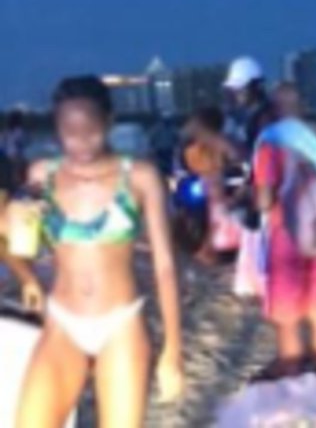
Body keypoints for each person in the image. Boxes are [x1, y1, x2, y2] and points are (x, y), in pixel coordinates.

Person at [3, 76, 183, 426]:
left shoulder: (140, 176)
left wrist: (172, 351)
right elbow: (18, 242)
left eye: (91, 131)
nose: (81, 143)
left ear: (110, 122)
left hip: (120, 323)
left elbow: (164, 265)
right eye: (70, 134)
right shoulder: (42, 175)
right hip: (61, 322)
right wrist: (22, 255)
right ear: (56, 130)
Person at [250, 83, 316, 381]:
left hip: (287, 237)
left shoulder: (271, 145)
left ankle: (292, 374)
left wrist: (256, 198)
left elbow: (265, 201)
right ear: (302, 107)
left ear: (275, 110)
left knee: (288, 319)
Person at [181, 106, 242, 264]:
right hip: (205, 188)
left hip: (218, 188)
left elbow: (238, 164)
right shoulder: (193, 146)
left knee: (217, 216)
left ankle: (210, 249)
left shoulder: (222, 144)